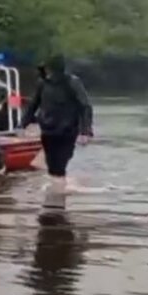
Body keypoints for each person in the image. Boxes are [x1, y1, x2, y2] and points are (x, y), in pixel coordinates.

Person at [22, 54, 94, 194]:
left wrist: (85, 131)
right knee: (52, 165)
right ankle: (57, 190)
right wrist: (24, 123)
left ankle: (58, 194)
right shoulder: (43, 84)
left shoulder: (72, 83)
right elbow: (33, 104)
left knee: (61, 163)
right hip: (48, 130)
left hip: (68, 130)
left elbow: (85, 106)